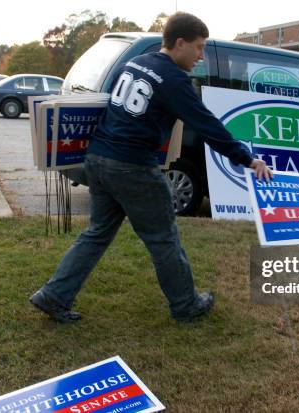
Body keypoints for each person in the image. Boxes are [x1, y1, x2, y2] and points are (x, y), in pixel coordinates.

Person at [30, 12, 272, 323]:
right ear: (180, 43)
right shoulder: (174, 80)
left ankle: (53, 295)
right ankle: (186, 305)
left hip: (99, 160)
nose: (201, 56)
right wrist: (248, 159)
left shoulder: (135, 63)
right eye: (198, 47)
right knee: (163, 238)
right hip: (133, 168)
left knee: (97, 233)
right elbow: (207, 124)